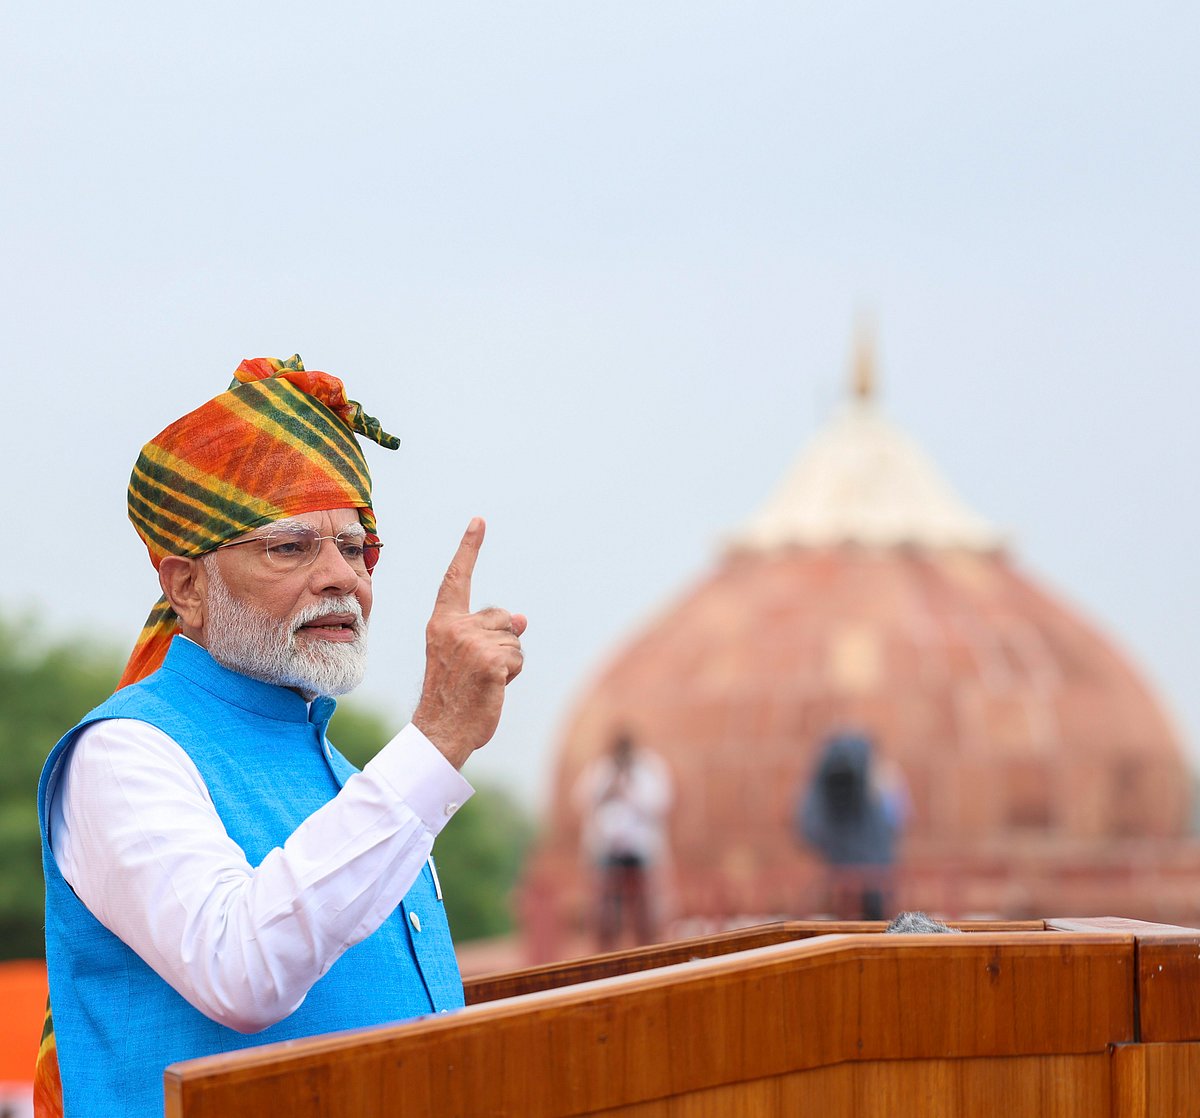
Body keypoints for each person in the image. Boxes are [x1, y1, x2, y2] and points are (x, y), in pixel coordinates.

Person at [35, 356, 526, 1118]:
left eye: (357, 548)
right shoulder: (124, 756)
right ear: (188, 587)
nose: (342, 577)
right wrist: (436, 740)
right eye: (290, 547)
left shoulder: (340, 769)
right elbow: (243, 972)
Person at [572, 732, 673, 951]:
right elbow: (581, 799)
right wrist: (610, 787)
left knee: (645, 908)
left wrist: (629, 789)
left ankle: (648, 949)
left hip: (640, 849)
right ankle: (608, 952)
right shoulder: (601, 770)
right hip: (608, 850)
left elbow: (660, 804)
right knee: (607, 911)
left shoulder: (648, 769)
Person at [796, 730, 899, 921]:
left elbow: (808, 825)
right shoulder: (878, 774)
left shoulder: (826, 775)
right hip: (871, 876)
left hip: (847, 876)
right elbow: (896, 819)